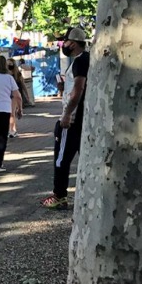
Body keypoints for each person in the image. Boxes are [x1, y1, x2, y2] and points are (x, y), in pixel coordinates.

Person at [42, 27, 90, 209]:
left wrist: (67, 114)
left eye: (66, 41)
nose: (64, 45)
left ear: (74, 43)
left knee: (61, 159)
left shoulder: (80, 62)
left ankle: (59, 195)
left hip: (72, 120)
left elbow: (78, 89)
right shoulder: (86, 60)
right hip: (83, 118)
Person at [6, 58, 29, 137]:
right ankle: (14, 129)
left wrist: (27, 94)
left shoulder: (17, 74)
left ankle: (11, 130)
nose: (9, 65)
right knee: (12, 113)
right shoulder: (6, 74)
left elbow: (22, 84)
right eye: (8, 64)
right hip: (8, 95)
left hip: (14, 95)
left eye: (10, 64)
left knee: (11, 113)